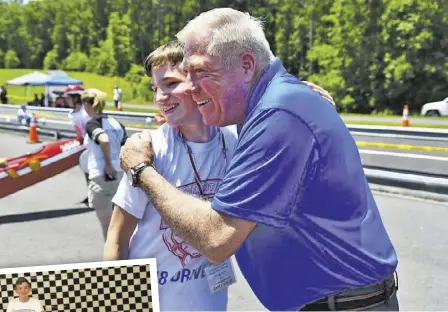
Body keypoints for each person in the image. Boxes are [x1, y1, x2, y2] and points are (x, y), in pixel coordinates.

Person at [119, 8, 399, 312]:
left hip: (341, 304)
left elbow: (216, 238)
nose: (192, 86)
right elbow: (118, 239)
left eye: (200, 73)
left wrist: (140, 169)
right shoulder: (271, 106)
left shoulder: (277, 115)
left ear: (247, 66)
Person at [107, 41, 336, 311]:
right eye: (155, 88)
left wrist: (302, 102)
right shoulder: (148, 152)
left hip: (211, 302)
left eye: (170, 84)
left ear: (199, 81)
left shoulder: (236, 142)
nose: (160, 97)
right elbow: (117, 239)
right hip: (152, 302)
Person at [82, 88, 127, 241]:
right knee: (121, 226)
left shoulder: (92, 124)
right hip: (120, 177)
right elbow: (125, 147)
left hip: (101, 177)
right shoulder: (117, 123)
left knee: (108, 228)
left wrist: (108, 164)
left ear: (88, 105)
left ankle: (114, 261)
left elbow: (104, 139)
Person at [65, 84, 91, 205]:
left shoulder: (86, 112)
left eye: (69, 98)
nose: (67, 100)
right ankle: (92, 194)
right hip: (85, 145)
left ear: (76, 98)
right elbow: (78, 133)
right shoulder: (72, 114)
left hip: (93, 144)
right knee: (87, 170)